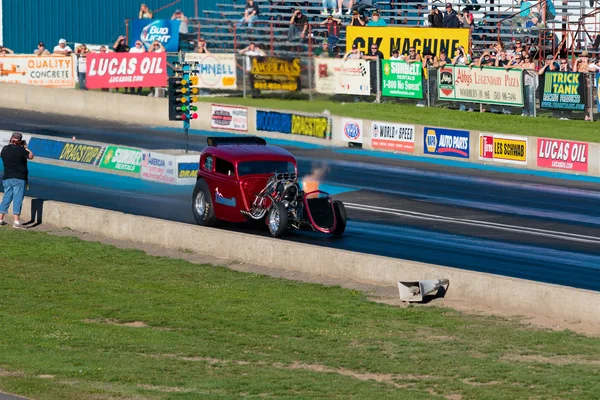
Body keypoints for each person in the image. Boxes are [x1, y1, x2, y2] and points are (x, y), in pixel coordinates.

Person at [0, 132, 34, 229]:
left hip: (7, 177)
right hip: (19, 178)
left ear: (11, 139)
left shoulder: (5, 149)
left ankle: (0, 219)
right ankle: (16, 222)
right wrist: (25, 147)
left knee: (6, 198)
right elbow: (31, 156)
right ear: (19, 141)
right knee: (18, 199)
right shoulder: (21, 150)